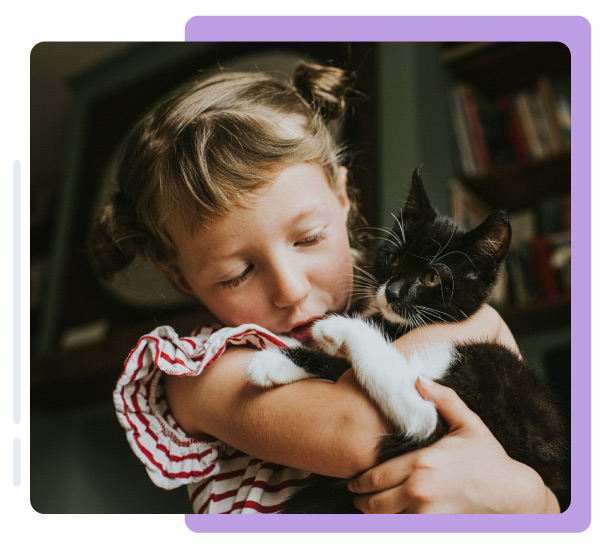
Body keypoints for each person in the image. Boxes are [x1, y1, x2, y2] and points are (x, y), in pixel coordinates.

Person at [92, 61, 560, 514]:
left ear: (342, 198)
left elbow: (529, 461)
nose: (290, 290)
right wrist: (484, 322)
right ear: (181, 279)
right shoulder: (202, 372)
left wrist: (532, 501)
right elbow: (359, 430)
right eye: (237, 273)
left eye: (309, 238)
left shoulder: (382, 314)